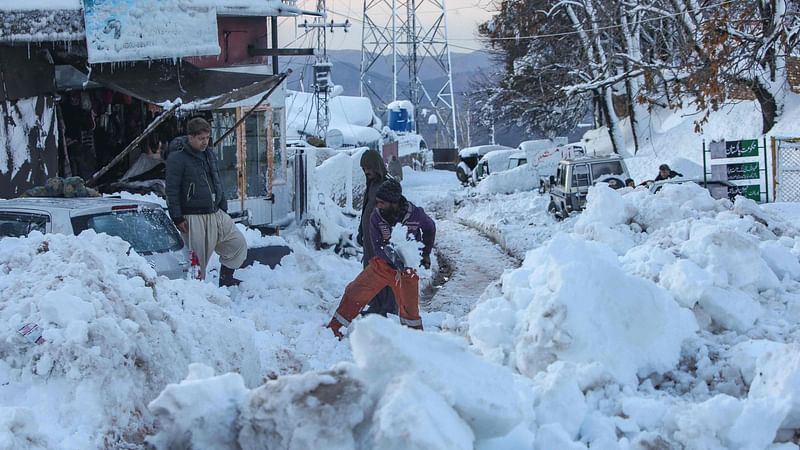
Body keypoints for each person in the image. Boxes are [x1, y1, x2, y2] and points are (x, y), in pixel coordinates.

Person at [327, 179, 436, 338]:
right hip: (382, 266)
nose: (377, 205)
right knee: (354, 292)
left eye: (381, 202)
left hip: (407, 272)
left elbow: (430, 228)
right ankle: (333, 330)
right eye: (377, 202)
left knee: (410, 312)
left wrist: (425, 253)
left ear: (394, 202)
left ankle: (415, 342)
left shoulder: (415, 214)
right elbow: (377, 247)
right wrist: (393, 258)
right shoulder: (376, 217)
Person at [165, 117, 247, 287]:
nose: (205, 142)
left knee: (237, 243)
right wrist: (177, 217)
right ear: (190, 137)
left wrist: (222, 204)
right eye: (201, 138)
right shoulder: (177, 158)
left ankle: (226, 279)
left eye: (207, 138)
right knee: (196, 262)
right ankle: (196, 295)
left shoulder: (209, 153)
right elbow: (171, 190)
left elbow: (216, 180)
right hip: (193, 216)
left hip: (215, 212)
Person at [358, 150, 397, 316]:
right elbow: (366, 209)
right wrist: (361, 231)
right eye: (364, 169)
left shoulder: (386, 185)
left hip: (381, 237)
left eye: (369, 168)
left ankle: (387, 308)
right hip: (369, 237)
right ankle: (376, 304)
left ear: (376, 166)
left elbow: (393, 212)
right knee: (370, 269)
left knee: (383, 270)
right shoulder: (372, 184)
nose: (367, 172)